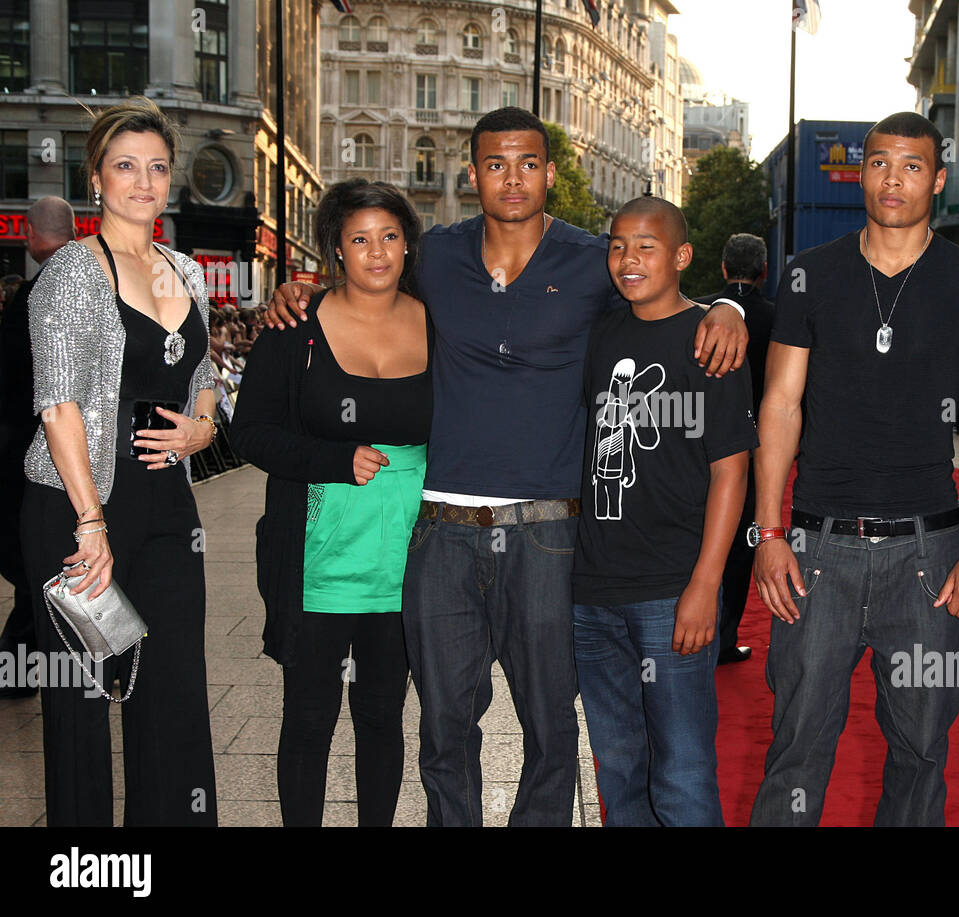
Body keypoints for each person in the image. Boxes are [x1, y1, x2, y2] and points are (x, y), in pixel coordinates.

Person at [263, 107, 748, 826]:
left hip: (549, 532)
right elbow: (367, 281)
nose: (512, 179)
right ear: (473, 174)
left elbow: (661, 291)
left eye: (527, 164)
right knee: (443, 729)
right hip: (441, 531)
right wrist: (300, 289)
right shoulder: (436, 258)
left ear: (549, 173)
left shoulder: (594, 259)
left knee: (552, 729)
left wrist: (727, 303)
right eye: (496, 164)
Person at [748, 111, 959, 827]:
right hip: (816, 550)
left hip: (928, 555)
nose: (893, 180)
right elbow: (779, 405)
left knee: (922, 750)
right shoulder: (810, 276)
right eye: (879, 164)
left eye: (912, 166)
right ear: (860, 172)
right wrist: (768, 531)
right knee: (796, 747)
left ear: (938, 179)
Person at [22, 97, 219, 826]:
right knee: (79, 703)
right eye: (126, 166)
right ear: (97, 178)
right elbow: (59, 404)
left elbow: (204, 374)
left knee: (172, 689)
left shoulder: (186, 272)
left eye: (158, 167)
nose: (144, 181)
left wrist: (202, 426)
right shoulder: (74, 272)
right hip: (78, 509)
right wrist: (91, 523)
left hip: (170, 510)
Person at [231, 180, 431, 827]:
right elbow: (249, 431)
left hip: (408, 560)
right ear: (337, 250)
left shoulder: (441, 320)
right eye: (360, 238)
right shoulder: (297, 328)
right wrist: (333, 460)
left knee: (382, 714)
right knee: (309, 716)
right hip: (317, 559)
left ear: (409, 244)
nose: (377, 252)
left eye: (391, 236)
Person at [573, 198, 757, 825]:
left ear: (682, 257)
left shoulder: (709, 339)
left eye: (646, 246)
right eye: (618, 245)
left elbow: (732, 469)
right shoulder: (600, 330)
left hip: (672, 590)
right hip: (593, 589)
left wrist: (706, 585)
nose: (628, 259)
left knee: (680, 770)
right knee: (617, 765)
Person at [0, 197, 75, 700]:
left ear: (30, 234)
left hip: (29, 453)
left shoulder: (36, 294)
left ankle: (20, 666)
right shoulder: (96, 285)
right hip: (78, 451)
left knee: (31, 565)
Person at [696, 232, 775, 665]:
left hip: (699, 442)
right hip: (755, 447)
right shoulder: (777, 316)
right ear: (763, 272)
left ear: (724, 267)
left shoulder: (699, 311)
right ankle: (724, 638)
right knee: (742, 544)